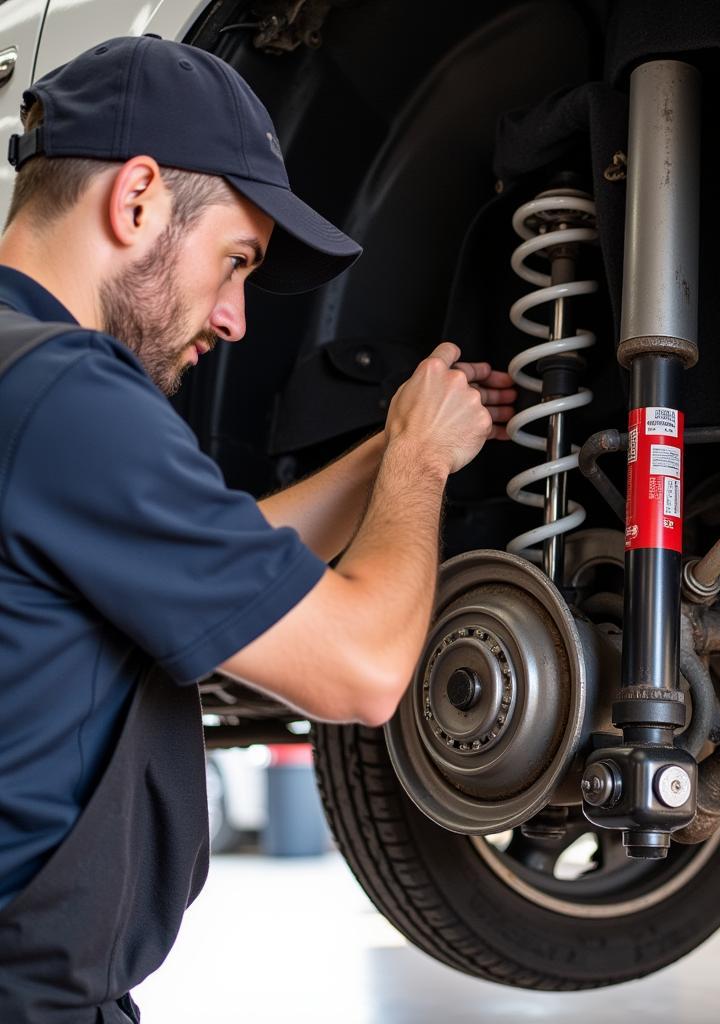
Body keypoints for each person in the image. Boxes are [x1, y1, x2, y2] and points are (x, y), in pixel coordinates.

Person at [0, 35, 515, 1023]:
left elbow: (214, 561)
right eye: (234, 261)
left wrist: (386, 448)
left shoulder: (25, 381)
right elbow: (362, 671)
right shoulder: (70, 394)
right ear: (137, 196)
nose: (235, 318)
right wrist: (418, 467)